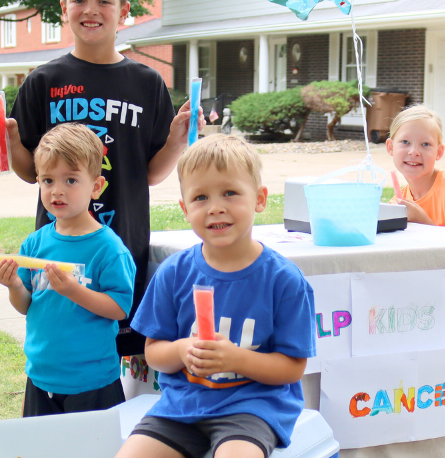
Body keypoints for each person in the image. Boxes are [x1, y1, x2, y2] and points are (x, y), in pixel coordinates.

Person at [0, 0, 204, 356]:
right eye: (79, 0)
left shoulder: (147, 83)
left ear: (125, 11)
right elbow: (31, 172)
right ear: (64, 9)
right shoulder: (43, 82)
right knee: (62, 337)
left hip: (121, 242)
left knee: (117, 351)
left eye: (104, 0)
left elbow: (152, 174)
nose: (91, 10)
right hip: (59, 245)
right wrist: (10, 140)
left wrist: (175, 142)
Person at [115, 134, 316, 458]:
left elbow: (292, 367)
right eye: (200, 198)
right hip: (181, 407)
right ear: (184, 208)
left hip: (252, 409)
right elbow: (153, 354)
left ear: (260, 199)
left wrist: (235, 359)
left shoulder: (283, 280)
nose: (216, 208)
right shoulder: (174, 273)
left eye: (230, 193)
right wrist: (182, 349)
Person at [0, 123, 136, 416]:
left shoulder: (109, 249)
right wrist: (14, 286)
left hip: (92, 382)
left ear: (96, 187)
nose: (57, 190)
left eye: (71, 180)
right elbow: (25, 305)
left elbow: (119, 308)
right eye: (47, 180)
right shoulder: (35, 243)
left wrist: (74, 290)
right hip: (41, 376)